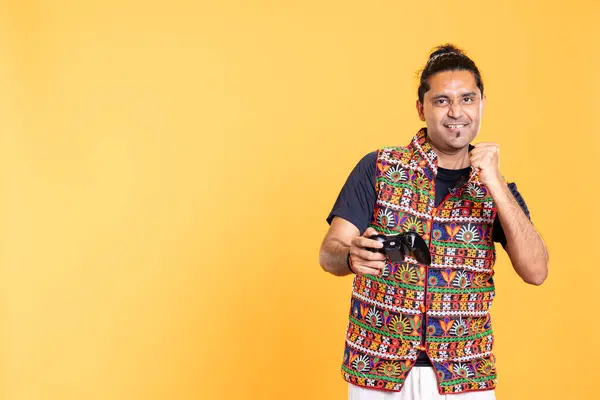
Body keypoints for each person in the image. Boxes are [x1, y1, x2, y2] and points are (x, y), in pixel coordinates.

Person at [319, 44, 549, 400]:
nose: (456, 111)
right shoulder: (378, 168)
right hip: (377, 371)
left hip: (463, 376)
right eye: (442, 100)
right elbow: (328, 252)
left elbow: (536, 271)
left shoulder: (498, 190)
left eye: (467, 99)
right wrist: (351, 256)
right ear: (421, 108)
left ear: (481, 104)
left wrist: (497, 186)